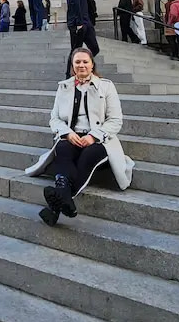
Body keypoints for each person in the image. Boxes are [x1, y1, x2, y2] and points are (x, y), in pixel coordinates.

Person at [27, 47, 133, 226]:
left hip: (99, 140)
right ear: (72, 65)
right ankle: (65, 202)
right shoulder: (64, 87)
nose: (81, 65)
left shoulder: (106, 86)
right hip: (72, 137)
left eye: (85, 61)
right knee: (62, 149)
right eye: (77, 62)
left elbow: (115, 120)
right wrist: (67, 133)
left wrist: (93, 136)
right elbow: (55, 118)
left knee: (88, 156)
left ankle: (57, 204)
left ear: (92, 64)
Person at [64, 0, 100, 75]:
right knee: (75, 50)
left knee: (94, 48)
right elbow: (75, 2)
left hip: (83, 21)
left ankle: (87, 70)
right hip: (79, 22)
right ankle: (70, 75)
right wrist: (79, 22)